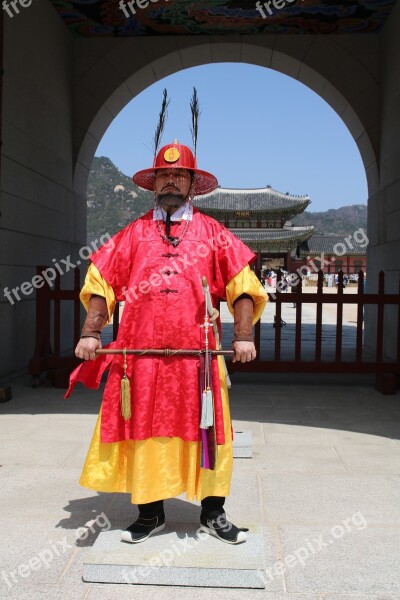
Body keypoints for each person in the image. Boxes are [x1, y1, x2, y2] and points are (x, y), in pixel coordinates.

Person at [68, 139, 267, 546]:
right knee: (146, 431)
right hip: (139, 357)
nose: (171, 181)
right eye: (164, 174)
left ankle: (213, 513)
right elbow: (100, 284)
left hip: (199, 356)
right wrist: (91, 331)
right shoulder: (133, 234)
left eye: (179, 175)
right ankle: (150, 512)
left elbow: (243, 287)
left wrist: (243, 335)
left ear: (192, 183)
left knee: (210, 431)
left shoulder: (213, 233)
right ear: (154, 183)